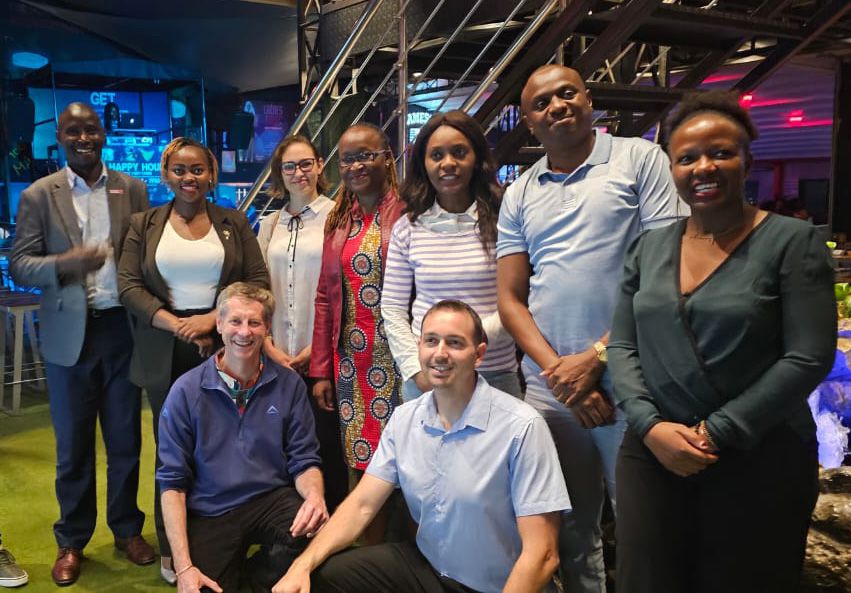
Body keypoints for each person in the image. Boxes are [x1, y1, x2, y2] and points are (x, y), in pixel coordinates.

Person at [607, 91, 836, 593]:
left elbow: (810, 355)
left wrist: (718, 431)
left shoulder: (792, 243)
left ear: (746, 159)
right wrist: (650, 427)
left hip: (758, 451)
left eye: (721, 153)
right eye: (686, 157)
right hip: (653, 451)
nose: (703, 167)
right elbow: (622, 346)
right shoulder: (650, 247)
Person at [496, 64, 682, 593]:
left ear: (589, 99)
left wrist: (598, 357)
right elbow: (511, 299)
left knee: (645, 526)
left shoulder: (639, 160)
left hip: (633, 377)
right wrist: (562, 374)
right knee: (570, 530)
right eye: (542, 102)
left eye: (567, 93)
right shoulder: (521, 192)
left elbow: (665, 273)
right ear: (529, 121)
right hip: (551, 390)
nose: (557, 106)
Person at [275, 300, 571, 593]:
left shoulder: (521, 427)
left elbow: (543, 554)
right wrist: (301, 566)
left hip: (497, 586)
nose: (440, 353)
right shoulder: (405, 418)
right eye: (431, 341)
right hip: (429, 570)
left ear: (478, 355)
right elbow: (362, 505)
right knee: (323, 575)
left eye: (454, 343)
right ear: (419, 348)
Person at [10, 102, 154, 586]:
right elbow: (20, 264)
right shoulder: (38, 195)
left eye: (90, 130)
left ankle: (126, 529)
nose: (83, 138)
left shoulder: (131, 189)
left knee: (126, 441)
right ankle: (71, 539)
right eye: (73, 131)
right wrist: (66, 263)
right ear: (61, 137)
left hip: (121, 330)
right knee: (72, 446)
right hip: (68, 335)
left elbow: (145, 254)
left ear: (103, 134)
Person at [118, 136, 269, 583]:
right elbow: (128, 285)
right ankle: (172, 547)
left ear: (211, 174)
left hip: (227, 343)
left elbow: (256, 280)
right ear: (167, 175)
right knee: (174, 452)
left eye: (198, 170)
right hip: (163, 346)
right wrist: (176, 324)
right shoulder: (143, 224)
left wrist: (212, 321)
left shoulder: (234, 221)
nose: (189, 178)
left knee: (228, 446)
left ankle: (227, 538)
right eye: (180, 170)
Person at [157, 282, 328, 593]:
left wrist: (315, 497)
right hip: (212, 510)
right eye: (235, 321)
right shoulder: (185, 390)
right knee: (202, 586)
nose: (244, 332)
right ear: (219, 324)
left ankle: (256, 581)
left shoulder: (289, 385)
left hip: (270, 500)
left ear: (266, 328)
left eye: (254, 322)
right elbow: (172, 483)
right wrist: (183, 567)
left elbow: (304, 459)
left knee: (316, 531)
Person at [309, 122, 405, 543]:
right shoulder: (338, 220)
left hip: (403, 364)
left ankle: (411, 555)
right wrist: (321, 371)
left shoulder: (408, 212)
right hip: (353, 368)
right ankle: (369, 554)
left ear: (387, 157)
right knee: (362, 461)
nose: (356, 165)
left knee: (409, 459)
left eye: (366, 155)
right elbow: (324, 299)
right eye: (348, 158)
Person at [383, 110, 520, 400]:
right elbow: (393, 308)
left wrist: (466, 348)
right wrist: (415, 369)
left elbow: (518, 300)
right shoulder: (408, 227)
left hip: (493, 373)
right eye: (436, 155)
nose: (448, 164)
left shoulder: (505, 220)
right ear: (424, 162)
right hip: (429, 376)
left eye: (459, 152)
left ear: (476, 159)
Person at [257, 134, 347, 512]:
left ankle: (332, 522)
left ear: (320, 165)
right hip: (276, 354)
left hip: (322, 357)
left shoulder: (338, 216)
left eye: (305, 164)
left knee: (326, 444)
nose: (298, 173)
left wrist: (317, 350)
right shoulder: (270, 223)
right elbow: (257, 290)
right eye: (290, 166)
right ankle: (288, 521)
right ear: (280, 172)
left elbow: (341, 289)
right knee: (280, 441)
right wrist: (267, 346)